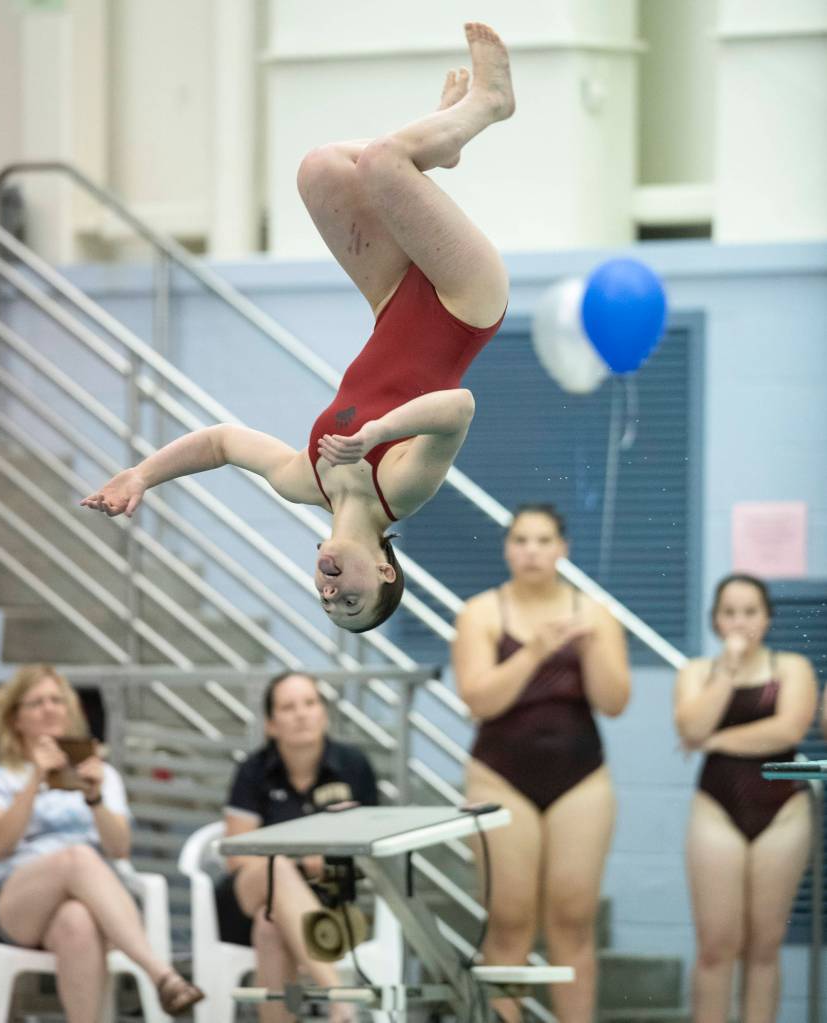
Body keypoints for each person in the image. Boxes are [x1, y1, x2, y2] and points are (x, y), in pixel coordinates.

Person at [80, 22, 514, 634]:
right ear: (386, 572)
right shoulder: (401, 491)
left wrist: (141, 475)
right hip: (464, 304)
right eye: (352, 602)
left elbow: (223, 442)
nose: (333, 594)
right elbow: (459, 407)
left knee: (321, 169)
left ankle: (435, 150)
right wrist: (379, 434)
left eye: (328, 604)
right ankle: (488, 106)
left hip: (393, 298)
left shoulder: (302, 480)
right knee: (385, 163)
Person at [453, 504, 630, 1023]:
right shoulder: (481, 613)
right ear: (508, 549)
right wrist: (534, 651)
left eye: (543, 540)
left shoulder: (595, 613)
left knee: (573, 920)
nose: (531, 551)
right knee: (509, 921)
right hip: (500, 775)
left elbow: (615, 702)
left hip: (581, 779)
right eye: (521, 540)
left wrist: (591, 643)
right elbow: (478, 701)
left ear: (562, 549)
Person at [0, 664, 204, 1019]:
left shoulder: (100, 774)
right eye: (36, 703)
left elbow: (119, 849)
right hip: (18, 902)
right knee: (77, 856)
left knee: (77, 922)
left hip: (95, 903)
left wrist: (95, 796)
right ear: (15, 719)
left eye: (57, 700)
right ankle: (161, 973)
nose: (50, 708)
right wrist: (37, 777)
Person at [675, 573, 817, 1023]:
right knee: (716, 946)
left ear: (768, 617)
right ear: (715, 620)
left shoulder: (791, 667)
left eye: (750, 612)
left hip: (783, 812)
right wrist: (730, 672)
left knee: (764, 946)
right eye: (729, 613)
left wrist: (717, 742)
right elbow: (691, 729)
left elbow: (788, 730)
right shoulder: (696, 672)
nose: (740, 622)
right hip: (716, 808)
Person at [218, 671, 379, 1023]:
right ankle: (340, 997)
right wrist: (298, 863)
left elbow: (375, 845)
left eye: (310, 703)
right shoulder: (253, 771)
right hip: (250, 891)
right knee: (276, 868)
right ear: (271, 724)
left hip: (327, 900)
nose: (302, 714)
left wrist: (334, 858)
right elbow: (237, 857)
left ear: (324, 712)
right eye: (288, 707)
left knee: (271, 924)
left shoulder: (354, 767)